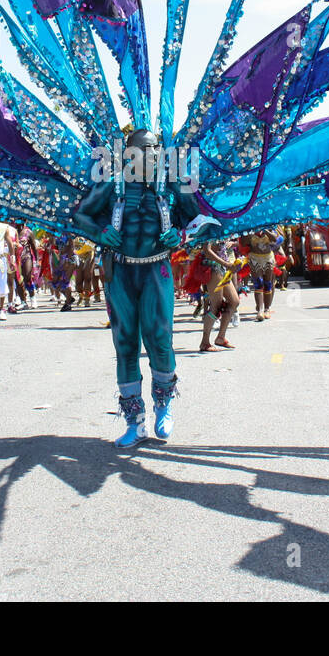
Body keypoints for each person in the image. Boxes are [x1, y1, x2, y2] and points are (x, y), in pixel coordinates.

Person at [71, 129, 220, 447]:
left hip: (157, 269)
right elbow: (81, 215)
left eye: (153, 149)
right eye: (140, 149)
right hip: (120, 272)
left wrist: (179, 235)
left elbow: (198, 218)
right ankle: (134, 423)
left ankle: (163, 408)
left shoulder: (174, 182)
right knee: (125, 347)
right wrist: (100, 232)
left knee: (160, 342)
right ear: (127, 154)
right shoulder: (112, 182)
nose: (148, 154)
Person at [245, 228, 282, 321]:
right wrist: (250, 232)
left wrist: (265, 230)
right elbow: (243, 242)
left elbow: (275, 239)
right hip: (254, 258)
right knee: (258, 284)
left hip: (268, 258)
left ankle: (267, 309)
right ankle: (260, 310)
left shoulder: (270, 227)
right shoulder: (250, 227)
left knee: (268, 284)